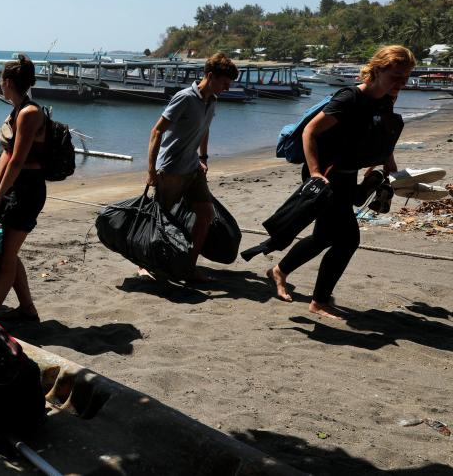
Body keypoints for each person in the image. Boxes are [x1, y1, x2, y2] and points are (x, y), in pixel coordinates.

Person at [267, 45, 415, 320]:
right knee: (348, 239)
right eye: (396, 76)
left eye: (406, 77)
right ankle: (319, 301)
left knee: (325, 236)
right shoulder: (349, 98)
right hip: (325, 175)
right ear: (378, 69)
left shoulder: (385, 99)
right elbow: (310, 131)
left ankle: (280, 271)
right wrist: (314, 173)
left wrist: (387, 163)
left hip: (346, 174)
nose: (401, 83)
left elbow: (381, 135)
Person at [146, 52, 238, 283]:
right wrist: (151, 171)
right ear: (210, 76)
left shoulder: (212, 100)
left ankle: (188, 265)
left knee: (206, 214)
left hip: (193, 169)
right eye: (224, 83)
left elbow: (205, 128)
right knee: (160, 218)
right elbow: (157, 131)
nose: (227, 88)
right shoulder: (184, 98)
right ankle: (145, 264)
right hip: (172, 168)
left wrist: (203, 157)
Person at [0, 57, 46, 319]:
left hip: (27, 189)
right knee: (8, 250)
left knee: (6, 255)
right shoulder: (16, 110)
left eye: (2, 82)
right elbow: (7, 155)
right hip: (14, 186)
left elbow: (18, 160)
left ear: (7, 82)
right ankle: (28, 308)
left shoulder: (29, 113)